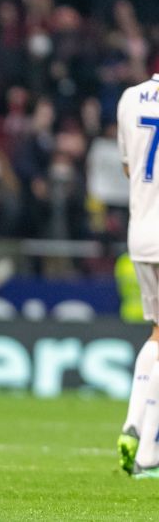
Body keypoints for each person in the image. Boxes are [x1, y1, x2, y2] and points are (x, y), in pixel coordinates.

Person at [116, 74, 159, 478]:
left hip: (141, 233)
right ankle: (149, 454)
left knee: (158, 332)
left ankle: (133, 423)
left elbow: (130, 168)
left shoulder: (131, 98)